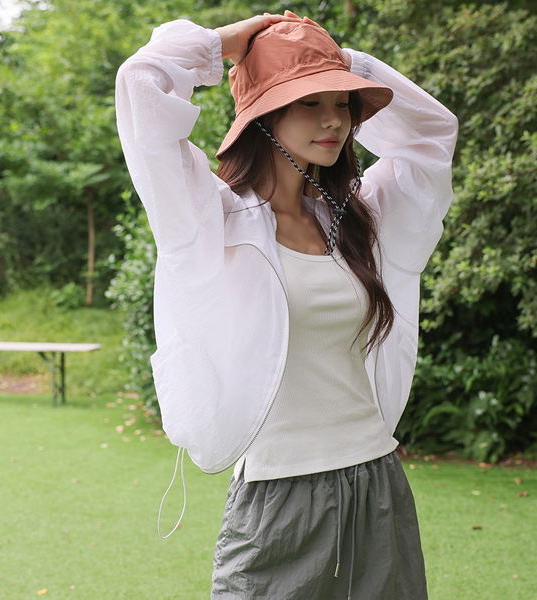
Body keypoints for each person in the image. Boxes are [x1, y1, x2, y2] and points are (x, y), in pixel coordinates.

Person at [116, 10, 457, 600]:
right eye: (308, 102)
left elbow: (431, 137)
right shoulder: (210, 220)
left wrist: (339, 59)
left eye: (343, 103)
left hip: (377, 481)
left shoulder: (360, 220)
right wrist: (224, 44)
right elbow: (140, 89)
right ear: (264, 117)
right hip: (279, 495)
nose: (334, 120)